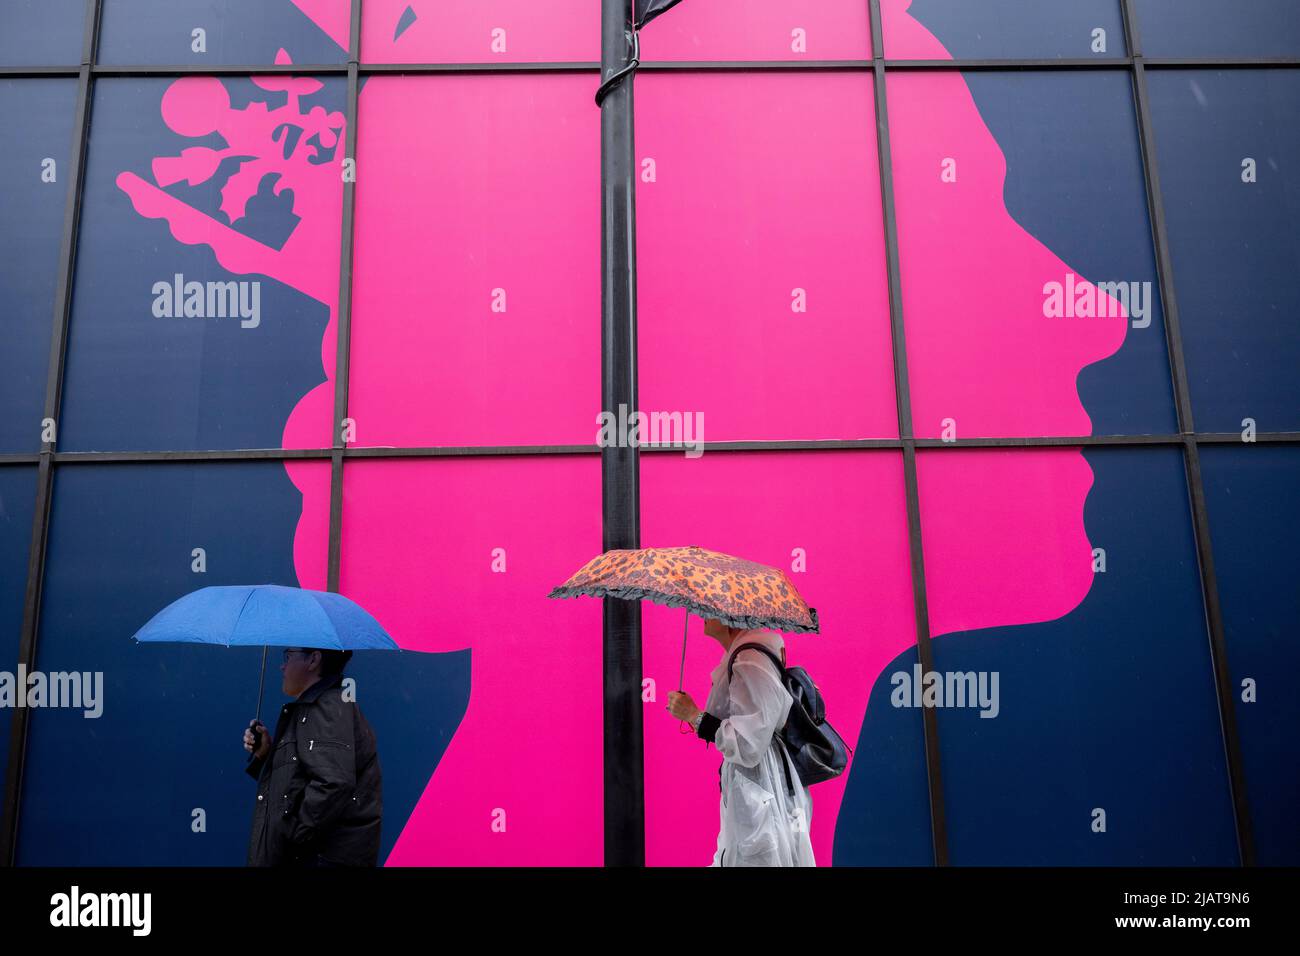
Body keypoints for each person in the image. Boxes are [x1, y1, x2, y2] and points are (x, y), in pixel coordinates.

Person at [667, 619, 815, 867]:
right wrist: (694, 717)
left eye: (712, 610)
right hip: (756, 784)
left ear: (729, 619)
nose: (702, 614)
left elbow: (748, 744)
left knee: (756, 855)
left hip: (759, 784)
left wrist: (693, 715)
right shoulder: (743, 656)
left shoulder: (749, 662)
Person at [242, 646, 382, 866]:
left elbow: (334, 782)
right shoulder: (313, 708)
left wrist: (295, 835)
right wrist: (267, 754)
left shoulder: (326, 707)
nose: (282, 665)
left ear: (313, 659)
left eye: (288, 656)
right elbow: (302, 776)